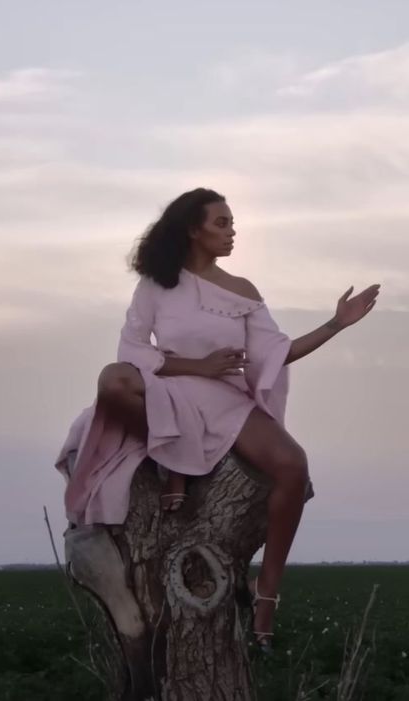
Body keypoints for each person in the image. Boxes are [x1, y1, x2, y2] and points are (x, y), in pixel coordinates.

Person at [56, 187, 379, 652]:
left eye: (232, 223)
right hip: (168, 388)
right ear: (193, 229)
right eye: (221, 223)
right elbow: (131, 351)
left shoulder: (242, 291)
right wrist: (195, 367)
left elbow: (276, 353)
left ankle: (265, 598)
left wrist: (335, 324)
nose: (232, 232)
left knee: (292, 465)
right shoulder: (156, 285)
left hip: (226, 397)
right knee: (112, 381)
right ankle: (173, 462)